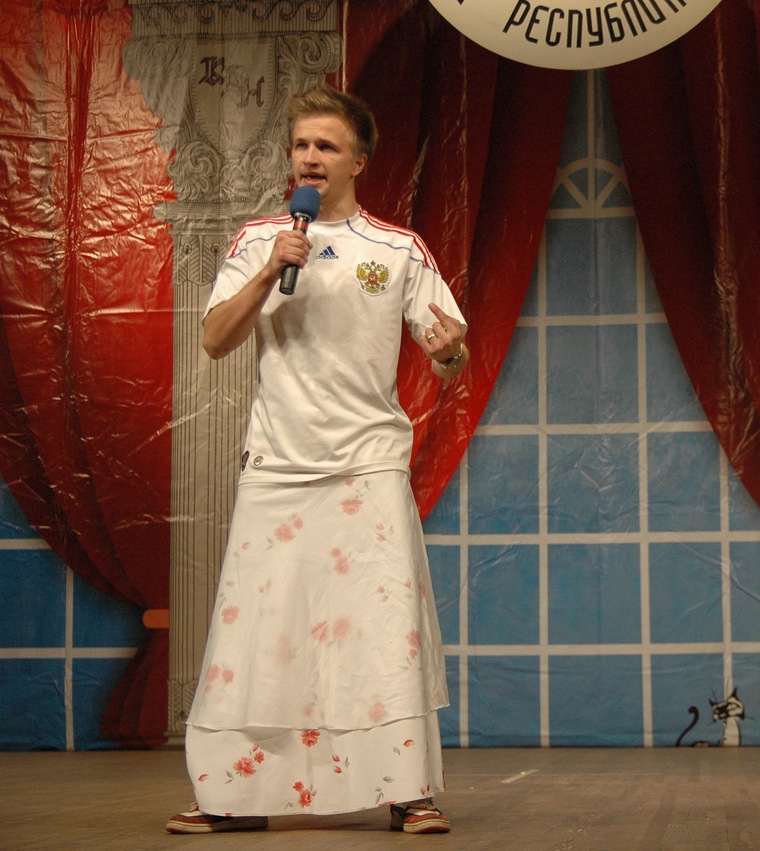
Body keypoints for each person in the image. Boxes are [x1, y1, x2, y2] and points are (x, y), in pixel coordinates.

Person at [166, 84, 468, 835]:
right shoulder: (259, 241)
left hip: (367, 464)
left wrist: (449, 352)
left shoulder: (397, 249)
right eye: (301, 144)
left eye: (327, 146)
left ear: (358, 161)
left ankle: (407, 790)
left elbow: (450, 350)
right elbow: (215, 339)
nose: (310, 157)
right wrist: (271, 270)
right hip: (279, 464)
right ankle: (236, 795)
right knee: (258, 634)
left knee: (381, 628)